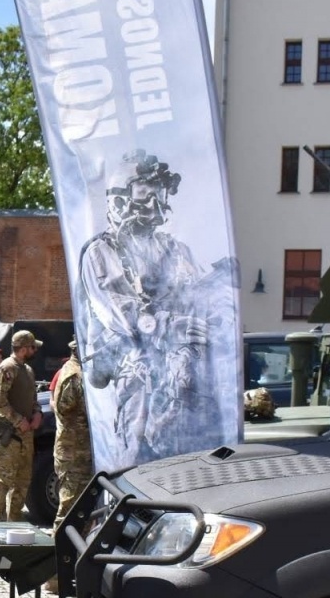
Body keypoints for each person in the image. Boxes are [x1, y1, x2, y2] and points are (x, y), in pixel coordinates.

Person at [76, 149, 236, 467]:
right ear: (122, 199)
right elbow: (119, 311)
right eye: (147, 194)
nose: (157, 202)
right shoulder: (101, 252)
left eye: (158, 194)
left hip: (185, 380)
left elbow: (206, 292)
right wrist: (165, 324)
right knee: (136, 465)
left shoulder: (174, 248)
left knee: (196, 463)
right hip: (139, 377)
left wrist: (221, 310)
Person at [0, 330, 42, 522]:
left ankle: (15, 520)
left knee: (23, 480)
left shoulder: (27, 370)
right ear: (23, 348)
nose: (35, 350)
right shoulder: (7, 367)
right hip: (10, 434)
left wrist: (37, 413)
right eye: (32, 347)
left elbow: (33, 397)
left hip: (26, 435)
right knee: (3, 481)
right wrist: (19, 420)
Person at [52, 340, 91, 525]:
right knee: (69, 509)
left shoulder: (74, 370)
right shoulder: (74, 375)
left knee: (81, 509)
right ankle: (57, 550)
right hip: (74, 452)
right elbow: (66, 408)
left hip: (79, 451)